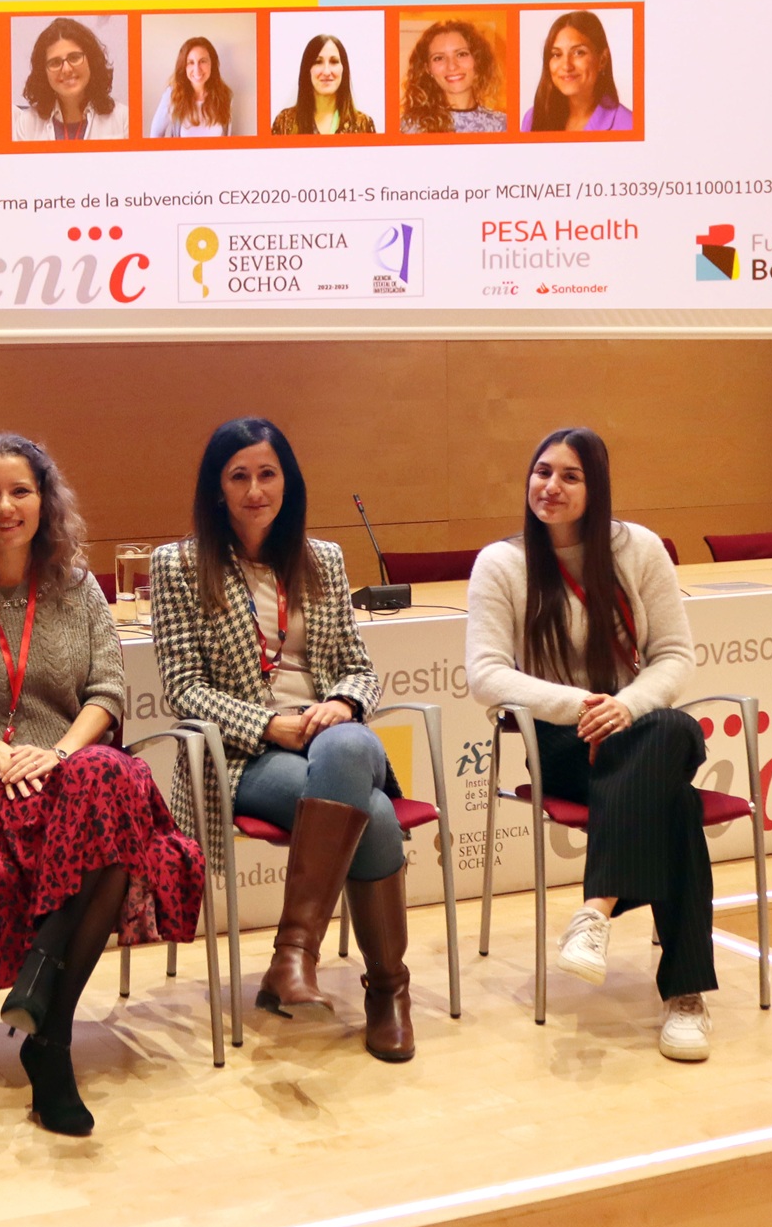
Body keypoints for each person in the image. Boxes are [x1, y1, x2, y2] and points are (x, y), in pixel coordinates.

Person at [0, 434, 204, 1136]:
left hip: (78, 777)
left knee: (105, 770)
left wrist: (58, 753)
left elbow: (107, 692)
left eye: (21, 491)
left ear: (45, 500)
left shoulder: (79, 587)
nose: (6, 506)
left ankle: (49, 1020)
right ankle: (49, 1027)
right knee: (118, 821)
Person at [150, 418, 413, 1062]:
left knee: (349, 746)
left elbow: (356, 663)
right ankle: (387, 990)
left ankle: (294, 956)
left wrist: (343, 702)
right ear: (218, 489)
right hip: (247, 755)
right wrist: (268, 724)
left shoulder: (321, 558)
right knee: (374, 814)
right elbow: (185, 688)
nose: (254, 489)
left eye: (267, 474)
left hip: (331, 738)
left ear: (287, 483)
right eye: (238, 476)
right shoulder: (179, 566)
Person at [465, 427, 714, 1061]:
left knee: (676, 730)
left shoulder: (641, 550)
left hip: (636, 735)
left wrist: (625, 707)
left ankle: (595, 911)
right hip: (561, 742)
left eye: (570, 476)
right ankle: (685, 995)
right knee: (677, 801)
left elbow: (675, 656)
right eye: (542, 471)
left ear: (596, 489)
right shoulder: (503, 563)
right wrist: (584, 707)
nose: (550, 486)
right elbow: (486, 674)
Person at [13, 17, 130, 141]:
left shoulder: (123, 119)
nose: (66, 69)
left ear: (91, 61)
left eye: (74, 57)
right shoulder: (26, 124)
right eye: (55, 62)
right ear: (43, 73)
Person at [522, 11, 633, 132]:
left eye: (578, 53)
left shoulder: (629, 124)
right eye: (556, 54)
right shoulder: (532, 119)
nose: (566, 66)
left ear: (602, 60)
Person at [399, 20, 506, 134]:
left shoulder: (502, 124)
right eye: (439, 58)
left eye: (461, 54)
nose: (452, 66)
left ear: (478, 60)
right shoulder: (408, 127)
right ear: (428, 69)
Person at [271, 34, 376, 135]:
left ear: (344, 69)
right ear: (307, 70)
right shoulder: (283, 123)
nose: (326, 72)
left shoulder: (363, 125)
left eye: (334, 62)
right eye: (318, 62)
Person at [149, 36, 234, 138]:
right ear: (183, 66)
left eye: (203, 61)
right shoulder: (172, 96)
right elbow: (155, 136)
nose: (197, 69)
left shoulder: (225, 96)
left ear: (212, 63)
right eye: (191, 62)